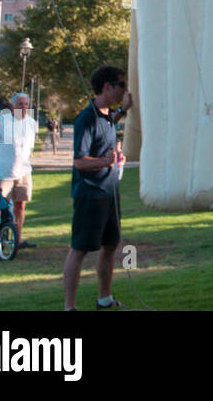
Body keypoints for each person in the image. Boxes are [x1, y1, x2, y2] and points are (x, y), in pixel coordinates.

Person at [62, 65, 132, 311]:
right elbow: (79, 161)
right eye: (121, 85)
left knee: (110, 245)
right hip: (90, 195)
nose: (125, 89)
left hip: (109, 193)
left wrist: (123, 110)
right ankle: (69, 307)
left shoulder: (107, 115)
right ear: (107, 87)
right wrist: (105, 161)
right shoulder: (86, 118)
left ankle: (105, 299)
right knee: (79, 249)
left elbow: (109, 124)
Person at [0, 92, 37, 249]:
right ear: (12, 105)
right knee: (1, 207)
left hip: (23, 172)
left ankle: (17, 239)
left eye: (26, 104)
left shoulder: (31, 123)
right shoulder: (2, 122)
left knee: (20, 206)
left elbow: (29, 147)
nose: (24, 107)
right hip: (3, 172)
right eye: (20, 104)